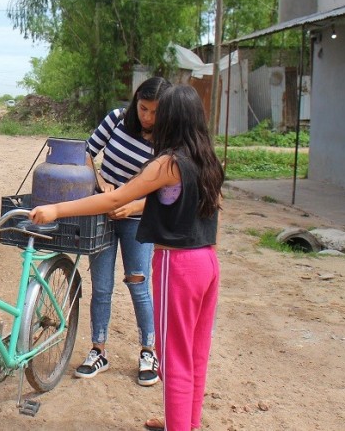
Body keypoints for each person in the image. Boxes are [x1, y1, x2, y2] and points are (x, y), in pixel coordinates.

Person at [31, 84, 223, 431]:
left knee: (174, 360)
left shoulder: (169, 162)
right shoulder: (206, 158)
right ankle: (185, 423)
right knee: (194, 355)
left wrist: (57, 208)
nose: (151, 120)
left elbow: (112, 201)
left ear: (173, 120)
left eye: (160, 114)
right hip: (207, 263)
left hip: (177, 267)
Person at [76, 77, 171, 386]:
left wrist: (131, 207)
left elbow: (161, 194)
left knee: (138, 284)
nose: (147, 117)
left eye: (155, 111)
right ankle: (98, 350)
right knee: (101, 287)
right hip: (102, 213)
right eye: (143, 108)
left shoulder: (167, 141)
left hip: (137, 220)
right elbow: (86, 152)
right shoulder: (116, 120)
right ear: (135, 103)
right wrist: (101, 183)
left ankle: (148, 351)